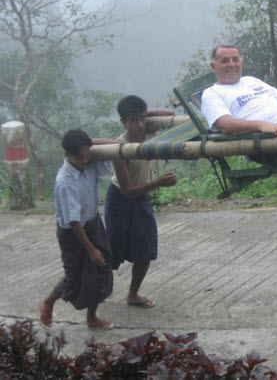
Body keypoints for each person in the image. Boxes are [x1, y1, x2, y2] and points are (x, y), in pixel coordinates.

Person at [38, 130, 117, 330]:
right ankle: (49, 301)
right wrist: (91, 250)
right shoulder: (65, 182)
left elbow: (111, 146)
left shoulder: (89, 164)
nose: (84, 161)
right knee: (75, 276)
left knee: (102, 268)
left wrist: (93, 145)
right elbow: (73, 222)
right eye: (79, 157)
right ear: (67, 155)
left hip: (93, 223)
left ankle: (92, 317)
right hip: (73, 233)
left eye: (87, 155)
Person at [104, 95, 178, 309]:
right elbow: (127, 191)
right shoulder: (120, 147)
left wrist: (146, 112)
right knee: (112, 251)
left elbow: (171, 114)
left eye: (142, 119)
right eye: (133, 120)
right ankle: (95, 295)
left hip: (141, 198)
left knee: (145, 247)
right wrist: (158, 183)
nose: (139, 125)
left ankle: (133, 294)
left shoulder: (147, 132)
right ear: (123, 122)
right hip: (120, 199)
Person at [200, 44, 277, 136]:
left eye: (235, 59)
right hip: (267, 136)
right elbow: (226, 125)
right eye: (225, 61)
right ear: (213, 66)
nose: (232, 64)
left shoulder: (250, 80)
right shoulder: (212, 94)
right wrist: (262, 126)